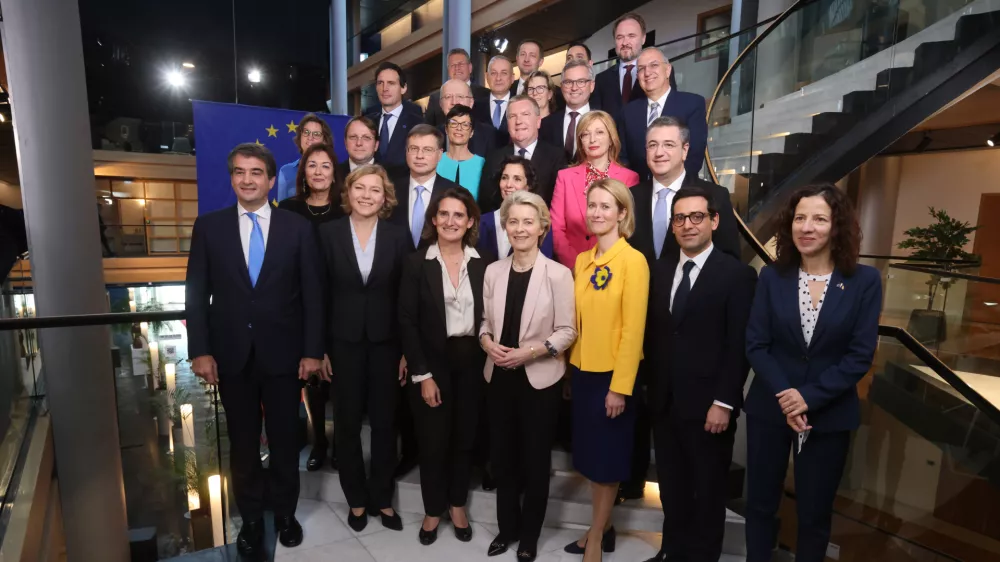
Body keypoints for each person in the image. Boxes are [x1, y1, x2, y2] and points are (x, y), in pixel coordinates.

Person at [186, 143, 324, 555]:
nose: (248, 179)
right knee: (243, 443)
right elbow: (196, 294)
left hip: (285, 355)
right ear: (232, 178)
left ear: (269, 179)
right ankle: (249, 519)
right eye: (240, 172)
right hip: (231, 355)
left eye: (256, 172)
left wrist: (313, 350)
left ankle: (284, 513)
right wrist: (200, 350)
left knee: (285, 441)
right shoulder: (208, 227)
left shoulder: (297, 227)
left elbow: (313, 295)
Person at [744, 184, 880, 562]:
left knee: (815, 514)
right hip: (770, 407)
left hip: (829, 413)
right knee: (759, 505)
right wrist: (789, 396)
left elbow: (859, 355)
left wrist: (808, 397)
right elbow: (756, 344)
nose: (807, 227)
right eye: (800, 218)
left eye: (819, 218)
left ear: (836, 226)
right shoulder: (772, 277)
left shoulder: (864, 282)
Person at [621, 116, 740, 503]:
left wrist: (724, 397)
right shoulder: (633, 197)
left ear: (686, 150)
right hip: (648, 347)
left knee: (703, 482)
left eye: (668, 144)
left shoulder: (713, 196)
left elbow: (730, 273)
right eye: (652, 144)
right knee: (663, 465)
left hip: (700, 362)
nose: (659, 152)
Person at [642, 187, 757, 562]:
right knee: (672, 489)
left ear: (714, 221)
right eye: (680, 218)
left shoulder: (737, 276)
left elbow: (739, 345)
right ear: (672, 226)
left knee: (707, 493)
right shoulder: (658, 272)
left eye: (696, 217)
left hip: (711, 407)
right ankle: (671, 551)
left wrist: (724, 402)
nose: (688, 225)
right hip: (664, 402)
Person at [480, 190, 577, 562]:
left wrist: (530, 352)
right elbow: (486, 323)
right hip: (499, 375)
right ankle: (507, 529)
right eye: (513, 221)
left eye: (528, 221)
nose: (520, 228)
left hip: (540, 380)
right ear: (504, 227)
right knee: (502, 458)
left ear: (542, 227)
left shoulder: (558, 274)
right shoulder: (493, 271)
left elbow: (568, 331)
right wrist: (487, 343)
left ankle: (529, 537)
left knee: (535, 461)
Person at [318, 164, 411, 533]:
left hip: (388, 344)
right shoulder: (327, 234)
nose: (367, 195)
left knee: (387, 424)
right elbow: (318, 294)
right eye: (361, 188)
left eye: (376, 190)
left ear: (385, 197)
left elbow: (406, 298)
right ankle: (356, 499)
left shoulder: (398, 236)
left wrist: (407, 350)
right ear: (349, 192)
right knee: (347, 424)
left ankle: (382, 498)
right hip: (342, 344)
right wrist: (320, 348)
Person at [563, 178, 649, 562]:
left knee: (607, 461)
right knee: (588, 456)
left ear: (622, 213)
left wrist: (620, 387)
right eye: (592, 205)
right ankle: (605, 525)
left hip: (613, 378)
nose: (596, 213)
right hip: (582, 372)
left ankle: (595, 536)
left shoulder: (634, 261)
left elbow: (634, 330)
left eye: (605, 206)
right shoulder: (583, 259)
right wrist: (569, 372)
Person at [398, 187, 489, 546]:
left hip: (472, 363)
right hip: (431, 363)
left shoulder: (485, 264)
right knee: (433, 441)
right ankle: (433, 509)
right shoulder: (415, 263)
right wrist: (423, 375)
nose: (451, 221)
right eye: (444, 214)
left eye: (459, 215)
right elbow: (406, 321)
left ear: (470, 222)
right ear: (433, 220)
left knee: (464, 438)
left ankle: (457, 505)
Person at [278, 143, 342, 472]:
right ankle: (319, 441)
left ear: (335, 174)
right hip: (300, 303)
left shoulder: (346, 209)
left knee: (341, 380)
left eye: (325, 166)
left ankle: (343, 445)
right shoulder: (287, 210)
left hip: (340, 303)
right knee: (313, 381)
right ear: (303, 172)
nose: (318, 171)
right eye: (312, 165)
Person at [550, 111, 639, 269]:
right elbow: (556, 229)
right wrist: (577, 265)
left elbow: (628, 228)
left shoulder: (629, 178)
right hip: (572, 267)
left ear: (611, 138)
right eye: (585, 134)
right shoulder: (564, 177)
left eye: (599, 132)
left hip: (615, 267)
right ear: (580, 141)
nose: (592, 139)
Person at [620, 48, 707, 181]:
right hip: (639, 193)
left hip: (681, 191)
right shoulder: (628, 112)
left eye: (654, 65)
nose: (647, 72)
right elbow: (623, 158)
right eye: (641, 69)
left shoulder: (693, 104)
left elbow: (694, 155)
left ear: (667, 70)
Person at [479, 96, 568, 213]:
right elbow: (486, 204)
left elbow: (559, 207)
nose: (518, 121)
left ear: (538, 121)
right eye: (512, 116)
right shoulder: (493, 158)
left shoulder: (557, 157)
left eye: (525, 114)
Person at [387, 125, 462, 250]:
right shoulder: (389, 190)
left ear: (439, 155)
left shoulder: (455, 193)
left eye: (427, 150)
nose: (419, 156)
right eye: (414, 148)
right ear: (406, 152)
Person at [478, 155, 554, 261]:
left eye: (517, 179)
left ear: (529, 185)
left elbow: (545, 263)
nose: (508, 184)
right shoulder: (482, 222)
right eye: (504, 178)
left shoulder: (540, 222)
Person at [366, 62, 424, 168]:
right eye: (380, 83)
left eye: (391, 83)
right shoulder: (367, 122)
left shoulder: (417, 124)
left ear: (403, 88)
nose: (385, 88)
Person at [541, 60, 597, 161]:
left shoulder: (604, 122)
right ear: (561, 86)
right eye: (568, 82)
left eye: (581, 82)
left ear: (592, 86)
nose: (574, 88)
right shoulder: (546, 124)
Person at [594, 13, 646, 120]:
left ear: (643, 39)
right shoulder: (601, 79)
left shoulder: (658, 73)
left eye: (631, 36)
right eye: (620, 37)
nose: (625, 42)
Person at [426, 48, 491, 128]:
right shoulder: (435, 98)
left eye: (461, 64)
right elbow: (428, 129)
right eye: (453, 65)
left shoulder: (486, 94)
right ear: (448, 70)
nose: (457, 68)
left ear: (470, 67)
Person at [276, 113, 333, 202]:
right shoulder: (286, 171)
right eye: (306, 132)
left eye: (316, 134)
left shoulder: (333, 170)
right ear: (300, 136)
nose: (310, 137)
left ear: (324, 140)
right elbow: (282, 209)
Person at [435, 79, 496, 158]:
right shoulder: (432, 135)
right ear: (441, 104)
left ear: (471, 102)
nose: (454, 102)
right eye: (448, 97)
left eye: (460, 96)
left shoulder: (489, 135)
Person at [437, 105, 486, 198]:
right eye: (454, 123)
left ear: (472, 132)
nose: (459, 128)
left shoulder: (483, 164)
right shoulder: (435, 160)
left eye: (465, 125)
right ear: (446, 129)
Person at [475, 56, 515, 147]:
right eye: (493, 73)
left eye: (504, 73)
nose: (498, 78)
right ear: (486, 77)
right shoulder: (474, 107)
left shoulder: (522, 105)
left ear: (512, 78)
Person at [337, 116, 380, 187]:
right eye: (353, 137)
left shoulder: (391, 175)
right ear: (345, 143)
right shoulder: (334, 174)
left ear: (376, 145)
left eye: (366, 138)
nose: (359, 143)